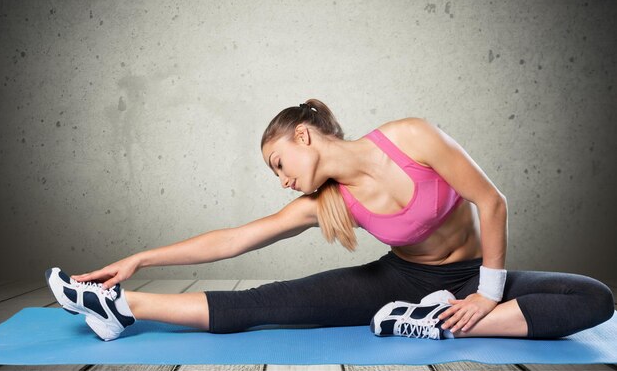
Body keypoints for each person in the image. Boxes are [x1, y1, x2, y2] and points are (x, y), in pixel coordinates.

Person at [45, 99, 614, 341]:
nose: (282, 178)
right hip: (402, 282)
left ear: (303, 135)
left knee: (592, 300)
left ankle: (427, 322)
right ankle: (123, 307)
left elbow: (492, 202)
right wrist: (141, 261)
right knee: (268, 304)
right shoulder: (328, 201)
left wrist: (489, 295)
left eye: (279, 163)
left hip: (475, 279)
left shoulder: (410, 138)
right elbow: (237, 239)